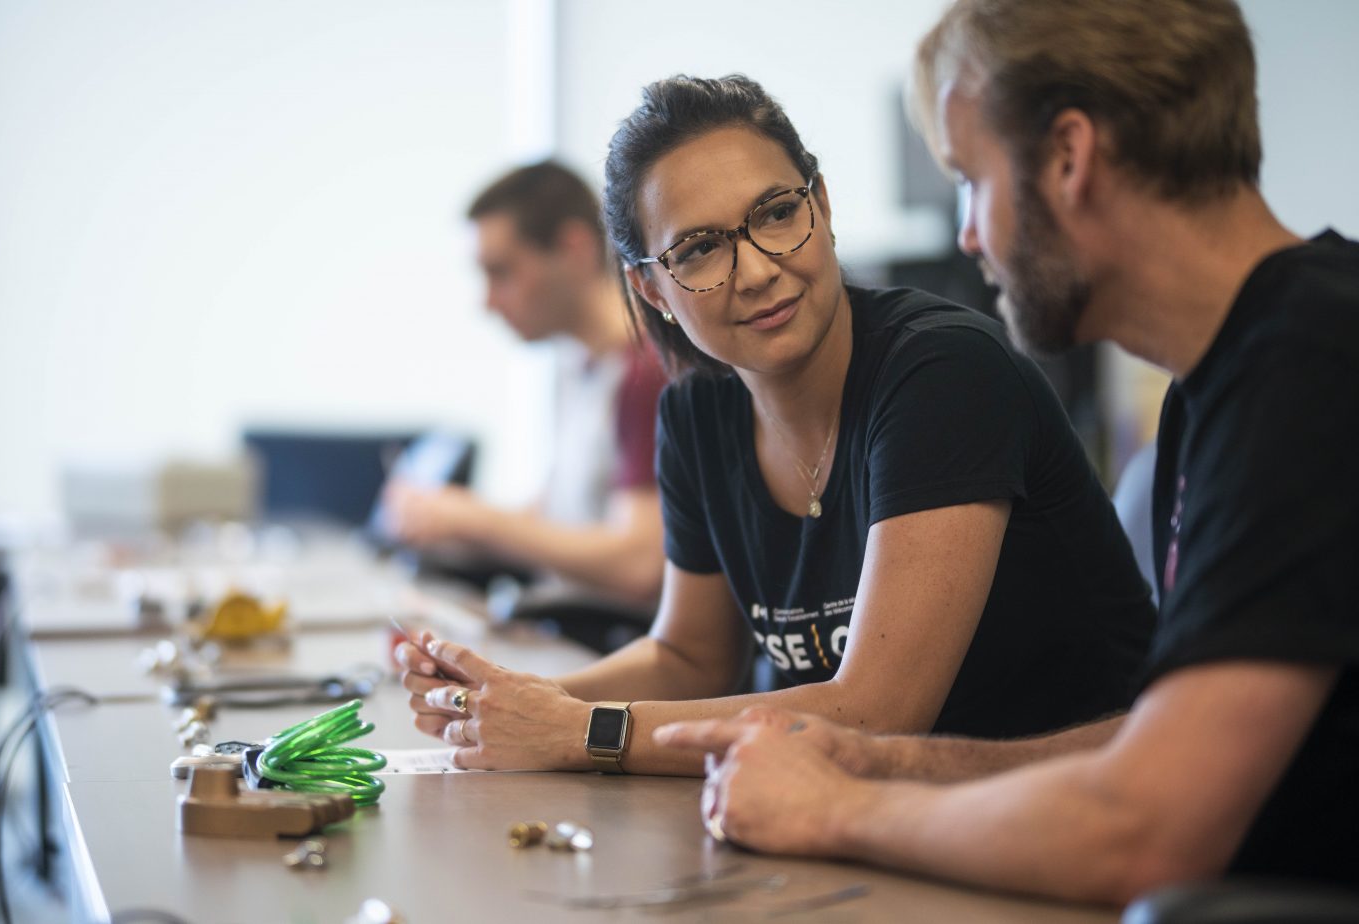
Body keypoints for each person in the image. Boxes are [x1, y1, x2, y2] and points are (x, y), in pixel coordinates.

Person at [657, 0, 1359, 904]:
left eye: (970, 179)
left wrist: (837, 807)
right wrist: (875, 760)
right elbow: (1152, 743)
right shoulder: (1223, 382)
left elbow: (1144, 835)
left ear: (1069, 159)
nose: (968, 235)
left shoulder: (1313, 366)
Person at [396, 75, 1155, 776]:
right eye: (698, 249)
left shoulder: (942, 374)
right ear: (651, 290)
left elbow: (876, 715)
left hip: (1067, 814)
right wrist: (522, 700)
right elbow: (690, 657)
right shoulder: (696, 412)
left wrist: (578, 731)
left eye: (777, 214)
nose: (757, 269)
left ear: (821, 205)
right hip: (869, 816)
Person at [382, 162, 667, 607]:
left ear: (575, 250)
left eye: (502, 272)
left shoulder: (646, 373)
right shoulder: (579, 367)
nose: (488, 301)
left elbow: (639, 563)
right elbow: (556, 521)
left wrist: (479, 520)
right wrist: (447, 522)